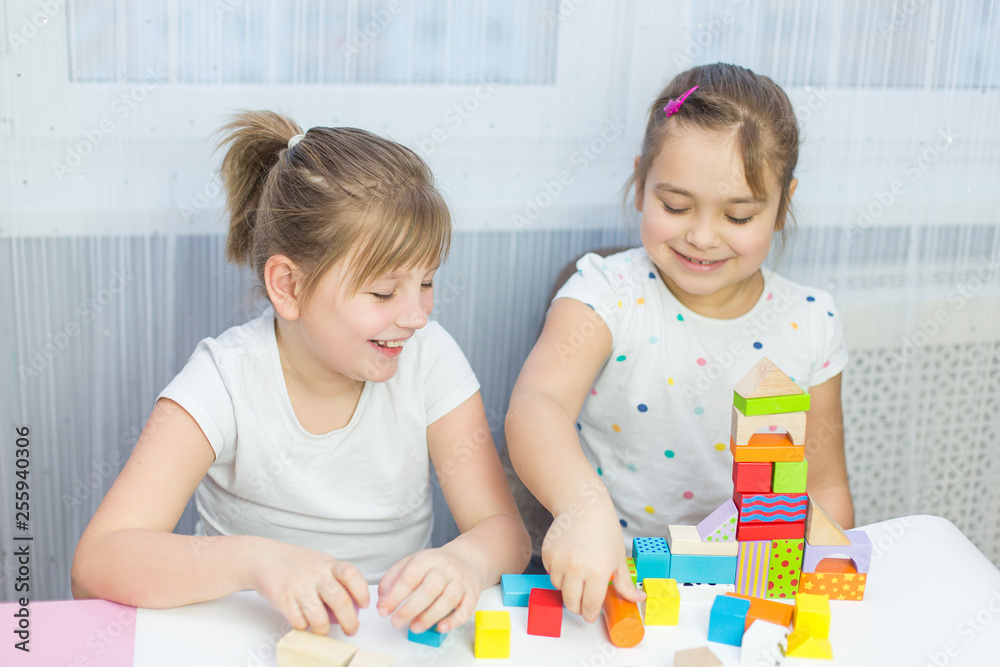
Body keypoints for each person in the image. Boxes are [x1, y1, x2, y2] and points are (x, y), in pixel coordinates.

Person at [72, 111, 530, 637]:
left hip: (386, 637)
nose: (417, 315)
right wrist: (254, 562)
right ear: (288, 286)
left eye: (426, 282)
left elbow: (505, 532)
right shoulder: (223, 380)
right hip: (249, 635)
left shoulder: (429, 357)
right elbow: (96, 564)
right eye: (383, 292)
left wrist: (466, 562)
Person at [506, 63, 853, 622]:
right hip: (612, 581)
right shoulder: (604, 293)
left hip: (743, 588)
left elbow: (825, 484)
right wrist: (582, 508)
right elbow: (536, 406)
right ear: (641, 180)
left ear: (783, 205)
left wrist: (824, 579)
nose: (702, 236)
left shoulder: (811, 320)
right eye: (675, 206)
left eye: (738, 214)